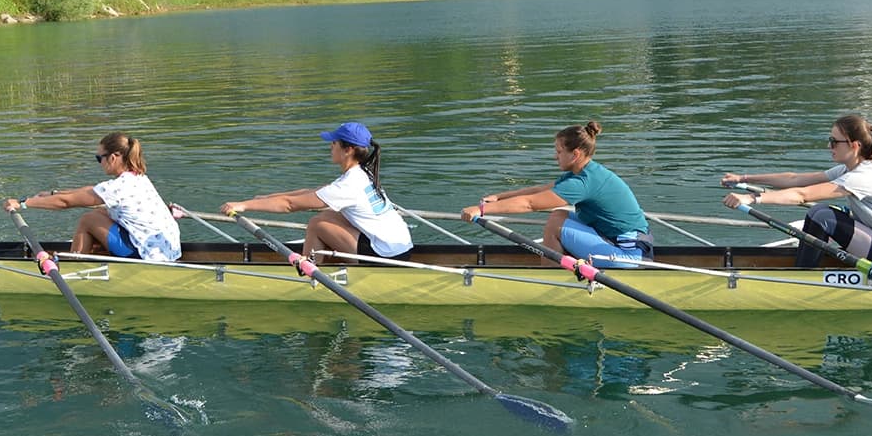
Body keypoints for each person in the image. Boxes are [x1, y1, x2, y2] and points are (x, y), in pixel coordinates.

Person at [720, 113, 872, 268]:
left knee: (822, 216)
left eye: (834, 141)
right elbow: (796, 179)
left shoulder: (864, 176)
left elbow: (802, 195)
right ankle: (807, 267)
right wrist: (743, 178)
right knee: (820, 212)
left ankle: (803, 275)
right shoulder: (848, 169)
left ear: (854, 145)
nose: (829, 146)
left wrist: (750, 198)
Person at [460, 120, 652, 269]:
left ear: (575, 154)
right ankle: (562, 265)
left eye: (559, 152)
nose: (555, 156)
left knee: (555, 224)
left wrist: (480, 209)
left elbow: (529, 204)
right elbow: (541, 190)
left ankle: (550, 276)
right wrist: (500, 197)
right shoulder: (585, 172)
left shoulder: (582, 183)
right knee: (559, 215)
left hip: (629, 256)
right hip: (627, 243)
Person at [219, 122, 413, 265]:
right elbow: (313, 192)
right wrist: (267, 198)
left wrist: (243, 205)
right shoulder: (362, 173)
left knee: (316, 224)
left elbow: (290, 205)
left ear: (348, 150)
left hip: (387, 256)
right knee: (329, 215)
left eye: (334, 143)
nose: (330, 146)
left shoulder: (348, 185)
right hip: (400, 248)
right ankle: (321, 258)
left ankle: (309, 272)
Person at [1, 131, 181, 262]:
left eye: (99, 158)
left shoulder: (117, 187)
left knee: (88, 219)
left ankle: (73, 265)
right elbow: (90, 191)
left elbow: (65, 203)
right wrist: (54, 193)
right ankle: (90, 251)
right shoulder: (138, 178)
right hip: (169, 251)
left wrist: (23, 203)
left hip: (148, 256)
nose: (99, 163)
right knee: (102, 213)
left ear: (113, 157)